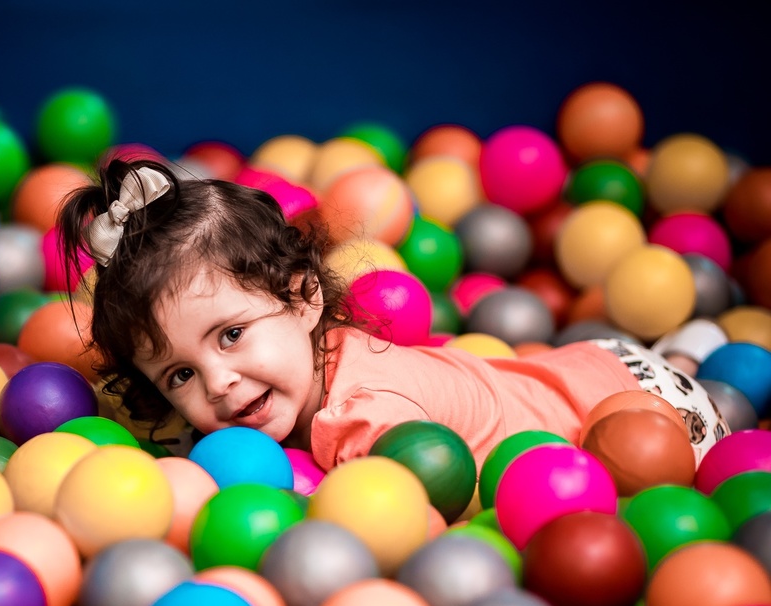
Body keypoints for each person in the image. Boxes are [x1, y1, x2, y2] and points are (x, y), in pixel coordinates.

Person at [57, 158, 728, 471]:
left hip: (648, 419)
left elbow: (398, 524)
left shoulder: (362, 418)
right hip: (586, 366)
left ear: (303, 297)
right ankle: (689, 352)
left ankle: (689, 366)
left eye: (230, 335)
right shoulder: (312, 353)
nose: (219, 384)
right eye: (178, 374)